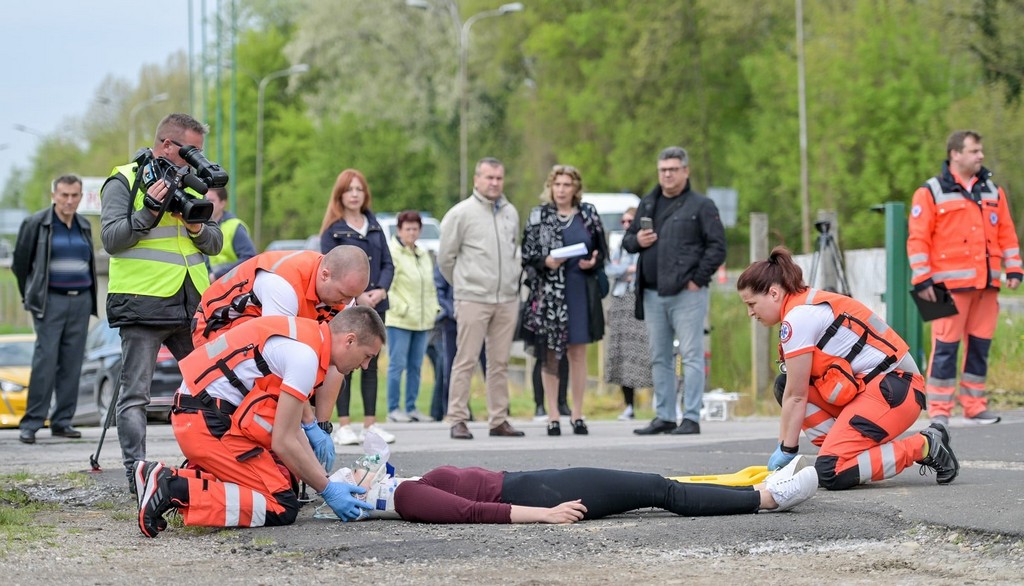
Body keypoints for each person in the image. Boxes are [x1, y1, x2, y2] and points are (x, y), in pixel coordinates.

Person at [132, 307, 387, 537]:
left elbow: (290, 430)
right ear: (349, 340)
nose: (365, 366)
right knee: (281, 506)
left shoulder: (305, 338)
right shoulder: (305, 357)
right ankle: (174, 487)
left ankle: (163, 478)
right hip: (206, 424)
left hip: (203, 415)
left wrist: (324, 479)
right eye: (367, 356)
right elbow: (283, 441)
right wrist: (327, 489)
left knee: (286, 483)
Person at [737, 246, 960, 490]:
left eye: (752, 304)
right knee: (783, 384)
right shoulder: (804, 306)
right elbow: (792, 390)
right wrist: (784, 448)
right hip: (881, 388)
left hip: (895, 390)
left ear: (773, 293)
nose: (750, 313)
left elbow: (797, 396)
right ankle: (847, 453)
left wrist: (786, 451)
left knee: (830, 473)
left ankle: (924, 445)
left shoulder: (797, 318)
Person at [100, 113, 223, 493]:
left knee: (211, 388)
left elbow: (214, 243)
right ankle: (136, 474)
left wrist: (196, 226)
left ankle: (213, 465)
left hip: (190, 305)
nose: (199, 158)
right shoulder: (124, 179)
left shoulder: (192, 182)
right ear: (168, 145)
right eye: (192, 150)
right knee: (135, 395)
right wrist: (148, 213)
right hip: (143, 304)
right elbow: (111, 240)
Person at [191, 245, 371, 468]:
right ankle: (242, 452)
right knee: (272, 388)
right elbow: (280, 362)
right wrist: (307, 425)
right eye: (343, 295)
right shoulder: (283, 284)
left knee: (310, 378)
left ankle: (280, 454)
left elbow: (334, 359)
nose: (346, 303)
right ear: (325, 275)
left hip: (260, 337)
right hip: (216, 330)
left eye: (352, 298)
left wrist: (322, 427)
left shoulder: (343, 294)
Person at [907, 130, 1022, 427]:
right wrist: (922, 279)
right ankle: (939, 409)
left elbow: (1007, 233)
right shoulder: (930, 191)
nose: (981, 155)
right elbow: (918, 239)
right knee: (944, 348)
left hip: (987, 285)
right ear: (955, 154)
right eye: (974, 151)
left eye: (980, 150)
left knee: (980, 347)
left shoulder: (993, 191)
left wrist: (1014, 268)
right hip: (945, 287)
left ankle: (974, 405)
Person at [345, 455, 819, 523]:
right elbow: (473, 512)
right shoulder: (406, 497)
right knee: (659, 489)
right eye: (355, 476)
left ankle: (763, 492)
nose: (361, 469)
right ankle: (768, 498)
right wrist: (546, 514)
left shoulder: (401, 484)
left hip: (538, 484)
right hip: (542, 495)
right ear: (364, 495)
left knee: (659, 487)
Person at [623, 146, 726, 436]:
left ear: (685, 171)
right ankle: (665, 416)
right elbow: (628, 242)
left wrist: (697, 279)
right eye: (663, 170)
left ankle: (691, 417)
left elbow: (717, 247)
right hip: (652, 293)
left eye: (672, 169)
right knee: (660, 356)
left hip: (687, 293)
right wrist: (638, 240)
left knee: (691, 355)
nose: (667, 175)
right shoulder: (648, 203)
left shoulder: (701, 206)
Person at [438, 157, 525, 440]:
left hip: (507, 298)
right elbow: (445, 259)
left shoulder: (510, 212)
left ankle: (498, 419)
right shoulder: (460, 214)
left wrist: (512, 282)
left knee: (500, 362)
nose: (494, 183)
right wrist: (464, 285)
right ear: (477, 179)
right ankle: (457, 418)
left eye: (499, 178)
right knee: (466, 359)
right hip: (473, 297)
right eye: (489, 177)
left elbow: (513, 251)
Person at [520, 164, 608, 436]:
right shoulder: (539, 215)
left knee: (578, 353)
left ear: (576, 188)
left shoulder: (588, 214)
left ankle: (578, 414)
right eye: (557, 184)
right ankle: (553, 415)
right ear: (550, 187)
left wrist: (593, 262)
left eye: (567, 185)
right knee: (550, 355)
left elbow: (601, 251)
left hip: (579, 288)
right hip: (549, 293)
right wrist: (545, 261)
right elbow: (527, 254)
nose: (561, 190)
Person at [12, 174, 97, 444]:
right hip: (50, 301)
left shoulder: (84, 225)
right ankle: (32, 423)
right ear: (54, 196)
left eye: (74, 195)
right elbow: (20, 265)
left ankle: (62, 421)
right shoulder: (36, 223)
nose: (69, 200)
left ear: (81, 197)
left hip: (81, 301)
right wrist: (32, 296)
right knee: (45, 362)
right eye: (64, 195)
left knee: (72, 363)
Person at [320, 169, 395, 445]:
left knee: (370, 363)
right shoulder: (333, 230)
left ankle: (370, 425)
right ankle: (343, 425)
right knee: (344, 363)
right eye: (349, 189)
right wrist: (358, 295)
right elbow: (328, 267)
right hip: (348, 307)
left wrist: (380, 290)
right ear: (340, 195)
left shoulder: (374, 226)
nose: (354, 194)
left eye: (359, 189)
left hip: (376, 304)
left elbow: (388, 263)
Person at [385, 210, 440, 423]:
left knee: (416, 366)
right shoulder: (393, 253)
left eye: (415, 229)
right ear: (399, 230)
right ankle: (393, 408)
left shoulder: (423, 254)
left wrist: (434, 309)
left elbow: (430, 285)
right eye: (407, 229)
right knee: (397, 365)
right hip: (400, 320)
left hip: (422, 320)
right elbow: (388, 287)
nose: (411, 233)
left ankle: (411, 407)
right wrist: (403, 308)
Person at [603, 207, 653, 420]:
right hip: (620, 300)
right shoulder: (620, 246)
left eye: (629, 222)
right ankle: (629, 405)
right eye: (622, 222)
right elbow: (609, 269)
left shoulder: (647, 243)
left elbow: (642, 269)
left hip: (640, 300)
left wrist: (625, 269)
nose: (625, 225)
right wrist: (628, 269)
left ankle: (660, 402)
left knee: (645, 352)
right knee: (621, 354)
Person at [205, 186, 257, 281]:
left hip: (228, 284)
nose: (207, 204)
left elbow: (250, 257)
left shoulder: (234, 227)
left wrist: (217, 275)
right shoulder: (199, 226)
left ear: (222, 203)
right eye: (205, 200)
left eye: (211, 201)